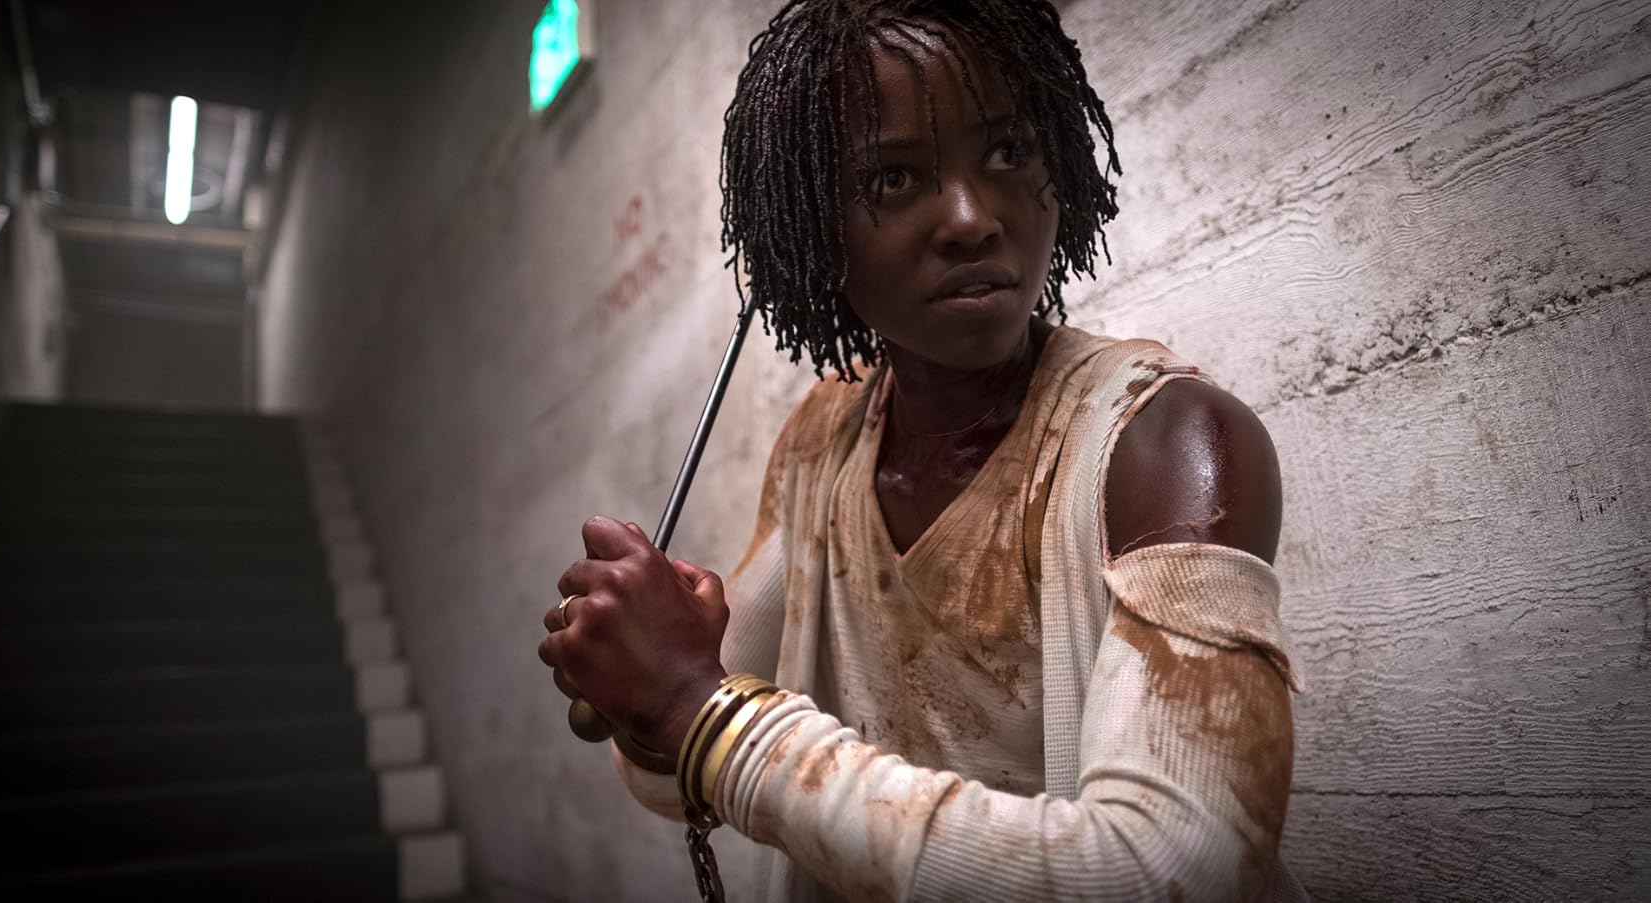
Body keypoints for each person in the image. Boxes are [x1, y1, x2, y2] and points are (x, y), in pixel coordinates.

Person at [539, 1, 1306, 899]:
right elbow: (675, 772)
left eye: (1008, 152)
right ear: (812, 233)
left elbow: (1180, 870)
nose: (972, 218)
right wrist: (646, 685)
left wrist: (693, 707)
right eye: (894, 178)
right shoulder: (822, 447)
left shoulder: (1170, 443)